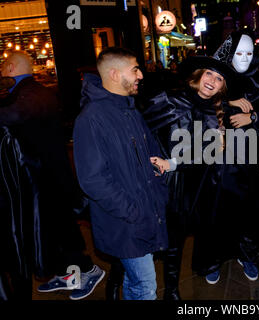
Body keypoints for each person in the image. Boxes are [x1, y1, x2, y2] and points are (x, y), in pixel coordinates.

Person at [0, 52, 105, 300]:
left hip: (50, 177)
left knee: (62, 229)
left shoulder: (33, 94)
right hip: (45, 176)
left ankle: (88, 271)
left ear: (11, 67)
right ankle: (70, 273)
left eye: (3, 69)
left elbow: (12, 115)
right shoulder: (31, 91)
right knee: (54, 231)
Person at [73, 47, 173, 300]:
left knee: (135, 281)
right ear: (115, 74)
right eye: (135, 69)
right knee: (146, 287)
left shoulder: (128, 108)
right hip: (127, 221)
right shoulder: (91, 118)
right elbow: (93, 180)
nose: (140, 75)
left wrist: (159, 182)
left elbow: (149, 154)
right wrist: (133, 211)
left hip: (143, 215)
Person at [141, 55, 235, 299]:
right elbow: (139, 130)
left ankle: (171, 289)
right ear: (198, 75)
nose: (212, 81)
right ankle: (128, 281)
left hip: (191, 184)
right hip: (159, 181)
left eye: (219, 78)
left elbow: (206, 154)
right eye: (209, 74)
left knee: (177, 240)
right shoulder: (169, 100)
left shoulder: (216, 111)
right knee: (145, 236)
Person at [213, 30, 259, 268]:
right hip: (225, 157)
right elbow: (198, 101)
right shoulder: (217, 79)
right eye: (238, 53)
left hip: (256, 156)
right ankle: (221, 253)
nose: (244, 58)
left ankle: (249, 252)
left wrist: (253, 117)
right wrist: (226, 102)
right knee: (224, 206)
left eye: (248, 53)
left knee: (255, 204)